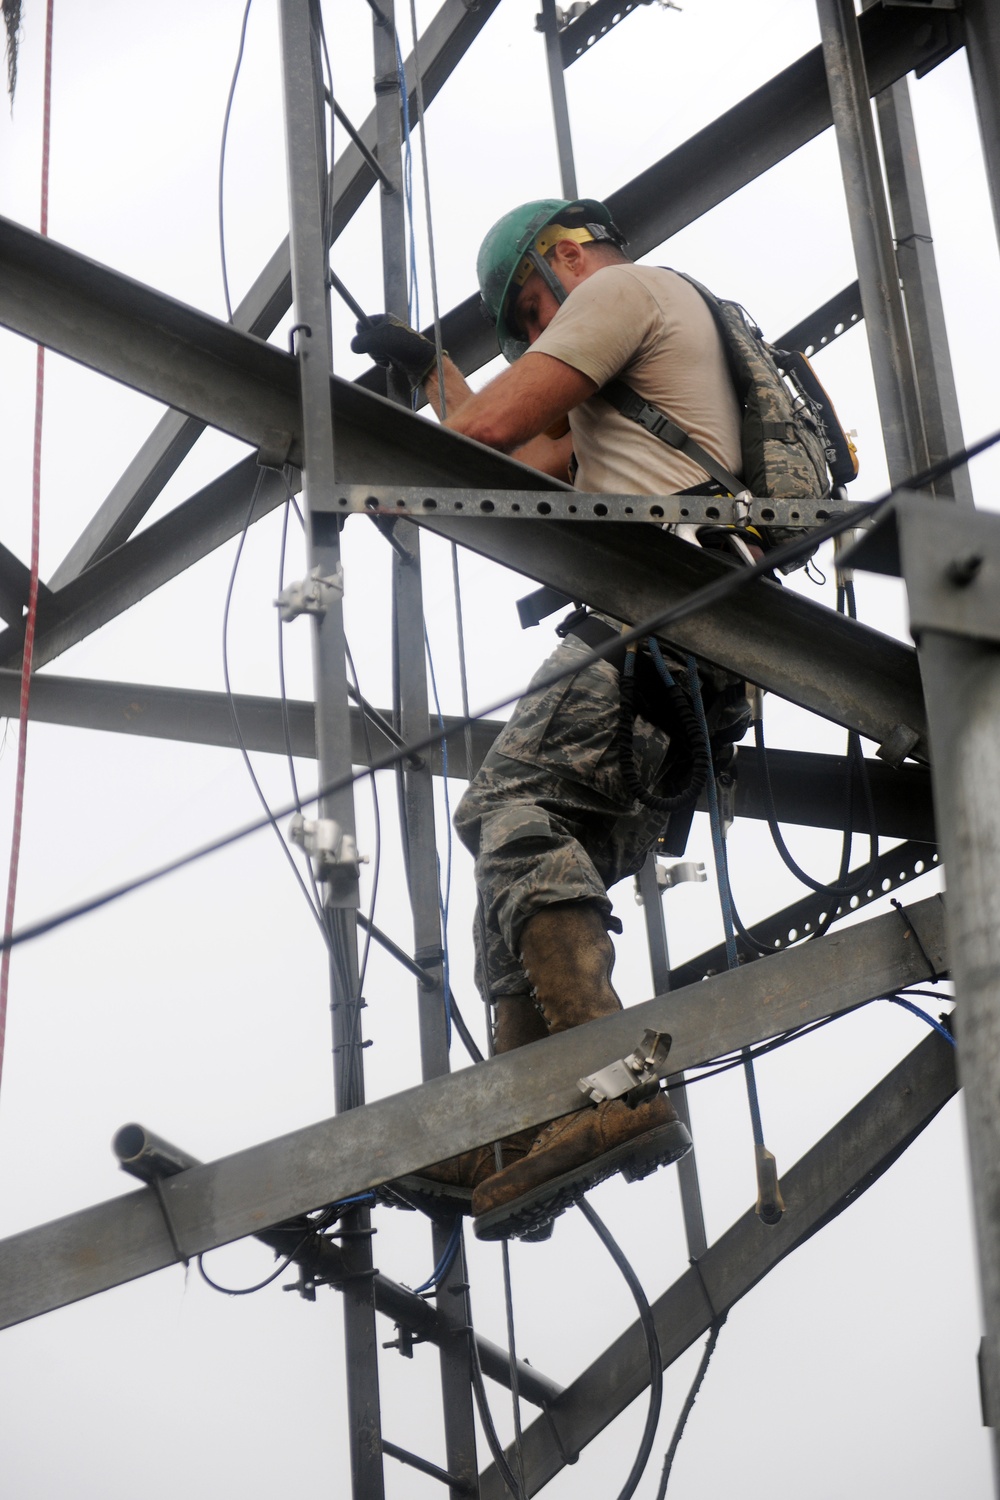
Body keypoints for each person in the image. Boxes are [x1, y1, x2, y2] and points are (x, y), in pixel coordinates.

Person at [353, 198, 748, 1241]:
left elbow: (483, 438)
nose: (537, 340)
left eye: (532, 315)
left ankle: (609, 1087)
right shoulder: (656, 378)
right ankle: (531, 1124)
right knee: (532, 848)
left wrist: (374, 456)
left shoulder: (621, 290)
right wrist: (436, 370)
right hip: (707, 659)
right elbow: (514, 464)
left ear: (565, 257)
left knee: (512, 805)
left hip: (653, 620)